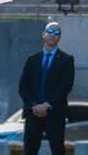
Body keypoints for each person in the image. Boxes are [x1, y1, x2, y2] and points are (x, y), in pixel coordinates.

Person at [18, 22, 75, 155]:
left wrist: (47, 105)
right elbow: (23, 87)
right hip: (33, 113)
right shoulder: (32, 59)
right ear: (43, 34)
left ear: (59, 37)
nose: (52, 35)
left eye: (57, 33)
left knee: (57, 150)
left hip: (55, 113)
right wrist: (34, 105)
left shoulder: (67, 60)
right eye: (50, 31)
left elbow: (66, 86)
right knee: (30, 150)